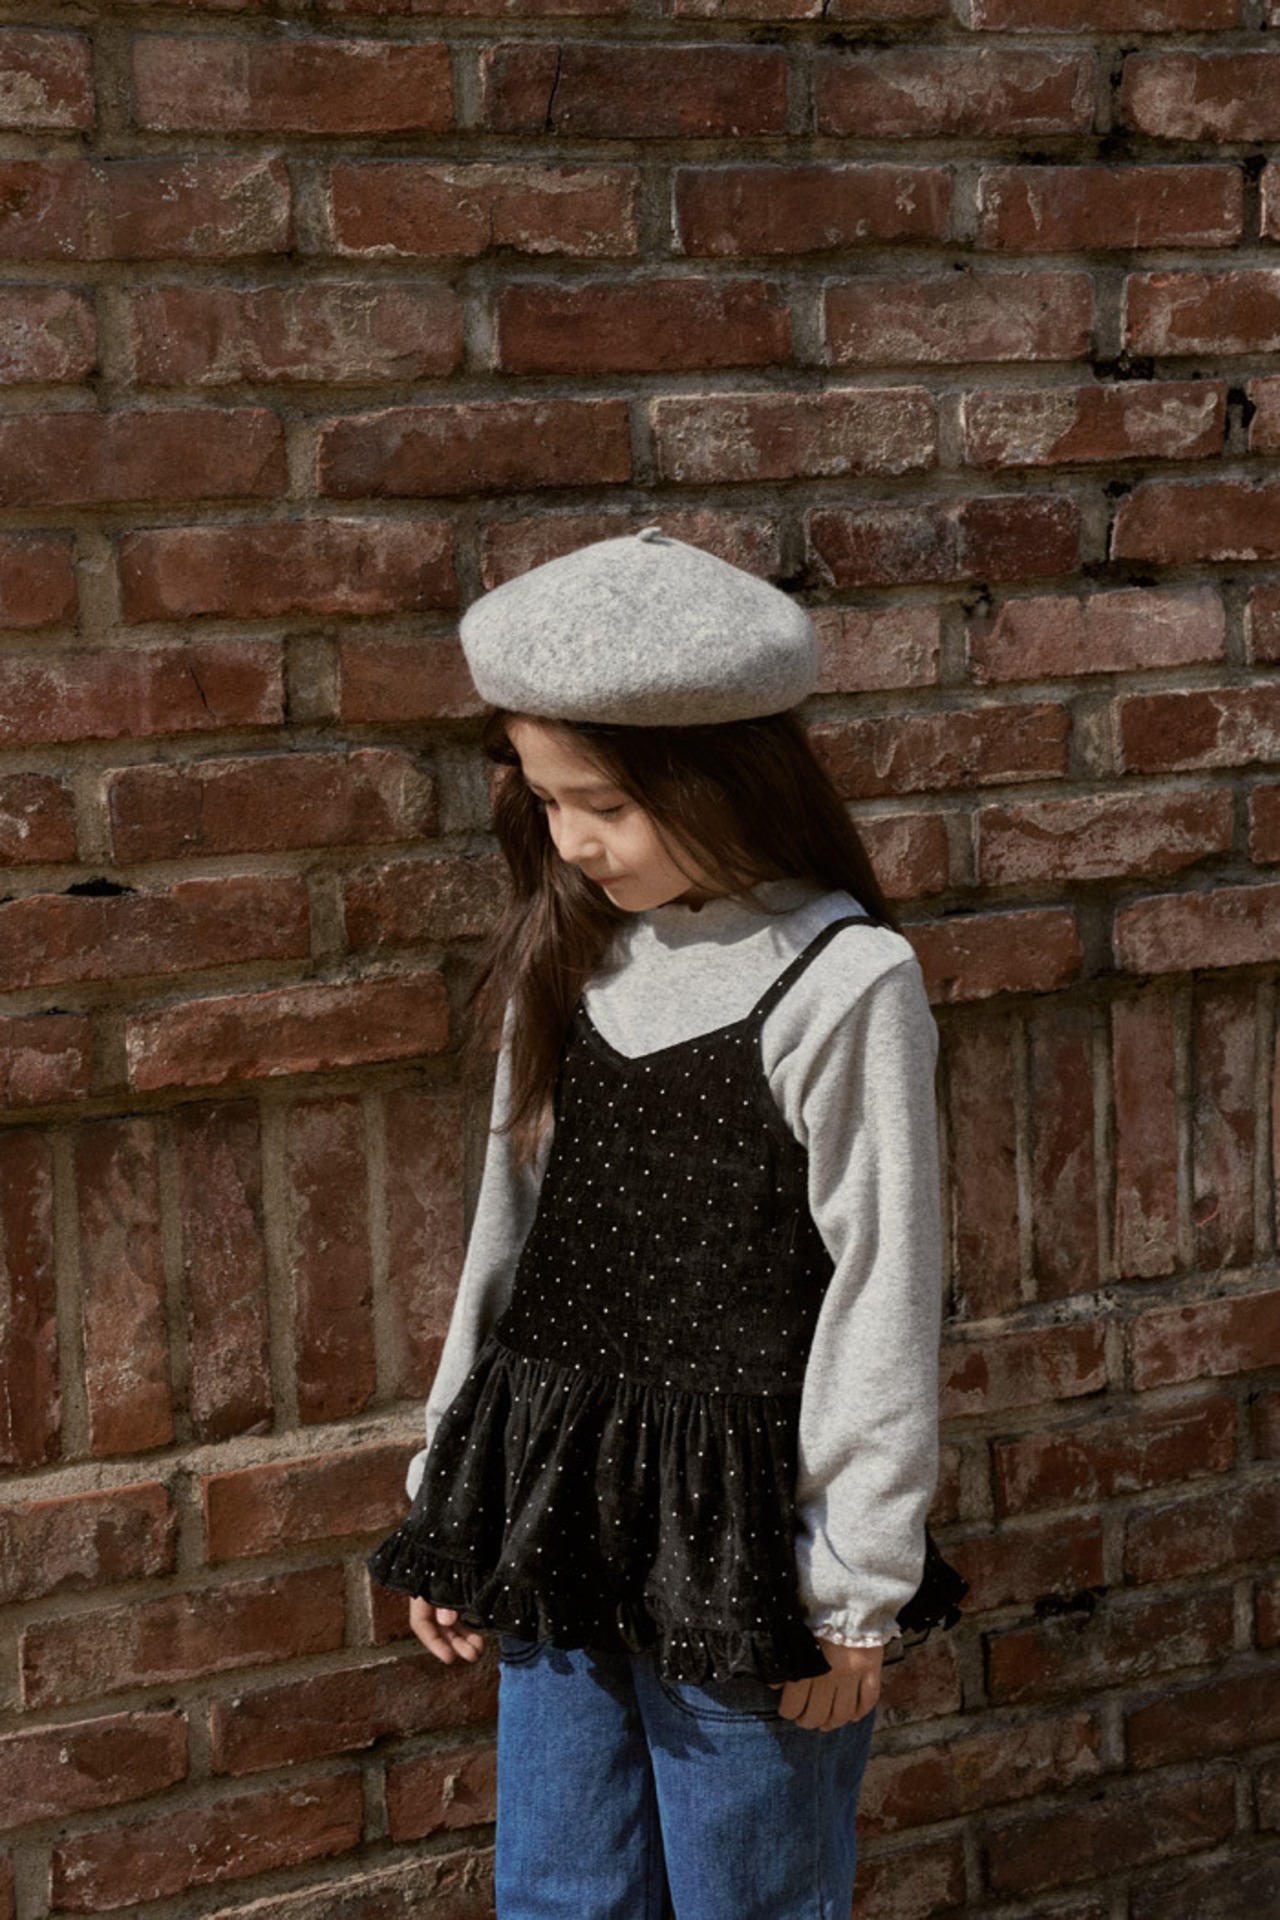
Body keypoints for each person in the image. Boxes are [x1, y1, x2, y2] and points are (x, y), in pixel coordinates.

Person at [369, 528, 964, 1920]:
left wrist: (854, 1586)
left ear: (726, 776)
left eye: (610, 804)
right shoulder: (574, 953)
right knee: (559, 1889)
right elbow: (509, 1241)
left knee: (746, 1895)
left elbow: (883, 1285)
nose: (573, 840)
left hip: (747, 1540)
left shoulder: (845, 983)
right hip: (558, 1502)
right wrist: (450, 1497)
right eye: (546, 798)